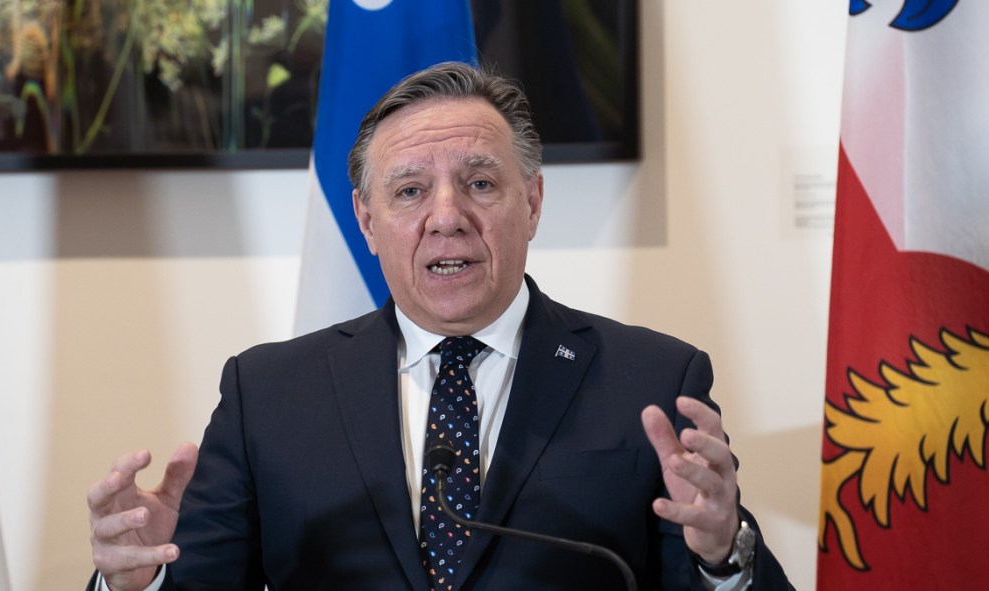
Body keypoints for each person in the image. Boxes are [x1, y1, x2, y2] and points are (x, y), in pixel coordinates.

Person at [87, 62, 793, 591]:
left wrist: (724, 552)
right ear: (366, 221)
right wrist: (140, 577)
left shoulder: (652, 380)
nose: (446, 214)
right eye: (409, 190)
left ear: (534, 202)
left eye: (480, 183)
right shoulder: (267, 393)